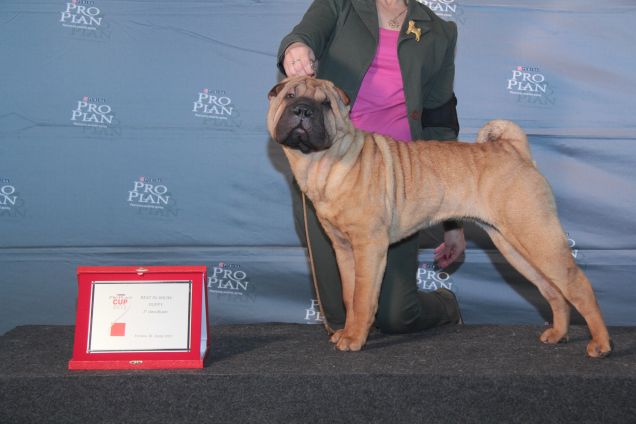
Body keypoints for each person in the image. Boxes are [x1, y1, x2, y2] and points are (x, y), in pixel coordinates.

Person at [277, 0, 465, 336]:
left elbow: (440, 122)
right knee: (340, 318)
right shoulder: (340, 5)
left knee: (396, 318)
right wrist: (297, 48)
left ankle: (444, 303)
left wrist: (453, 221)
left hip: (399, 180)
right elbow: (304, 36)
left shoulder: (439, 31)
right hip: (329, 164)